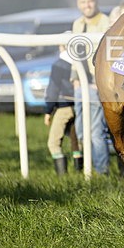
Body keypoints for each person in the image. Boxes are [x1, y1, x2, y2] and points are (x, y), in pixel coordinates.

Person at [71, 0, 111, 175]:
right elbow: (75, 54)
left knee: (95, 131)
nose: (87, 5)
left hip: (97, 84)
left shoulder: (106, 22)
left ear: (96, 1)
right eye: (83, 2)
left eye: (90, 1)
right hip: (81, 84)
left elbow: (108, 54)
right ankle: (91, 167)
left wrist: (99, 82)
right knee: (81, 130)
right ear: (78, 4)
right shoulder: (77, 24)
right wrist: (75, 79)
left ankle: (101, 171)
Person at [44, 41, 78, 176]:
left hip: (63, 107)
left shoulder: (58, 64)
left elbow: (53, 88)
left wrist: (48, 110)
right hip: (79, 106)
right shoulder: (79, 61)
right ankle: (79, 171)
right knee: (76, 140)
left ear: (61, 46)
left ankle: (62, 176)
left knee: (53, 143)